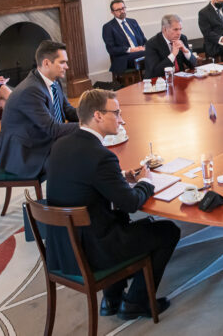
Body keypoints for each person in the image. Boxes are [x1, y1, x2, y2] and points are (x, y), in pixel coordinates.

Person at [45, 89, 180, 320]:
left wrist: (119, 177)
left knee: (121, 221)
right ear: (98, 116)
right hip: (92, 251)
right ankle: (136, 301)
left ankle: (112, 298)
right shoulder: (100, 156)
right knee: (168, 231)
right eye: (116, 113)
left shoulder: (61, 145)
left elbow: (82, 183)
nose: (121, 119)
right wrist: (146, 182)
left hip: (62, 248)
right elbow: (130, 203)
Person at [0, 40, 78, 180]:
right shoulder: (31, 90)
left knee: (86, 144)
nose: (67, 67)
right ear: (46, 63)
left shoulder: (54, 81)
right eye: (62, 62)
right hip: (26, 153)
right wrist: (91, 126)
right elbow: (54, 129)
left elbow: (68, 110)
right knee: (78, 153)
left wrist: (92, 115)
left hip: (40, 139)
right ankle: (65, 198)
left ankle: (77, 193)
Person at [143, 14, 197, 79]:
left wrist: (186, 51)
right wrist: (173, 55)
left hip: (179, 80)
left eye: (180, 29)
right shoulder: (152, 44)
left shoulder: (182, 38)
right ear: (164, 29)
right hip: (159, 83)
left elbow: (193, 65)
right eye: (175, 29)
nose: (179, 33)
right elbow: (155, 72)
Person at [102, 0, 147, 74]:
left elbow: (144, 40)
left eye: (123, 8)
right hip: (125, 58)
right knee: (149, 54)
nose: (122, 11)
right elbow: (111, 49)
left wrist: (146, 47)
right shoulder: (108, 27)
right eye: (118, 10)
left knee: (156, 50)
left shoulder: (133, 22)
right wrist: (131, 50)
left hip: (140, 53)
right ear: (112, 12)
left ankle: (153, 80)